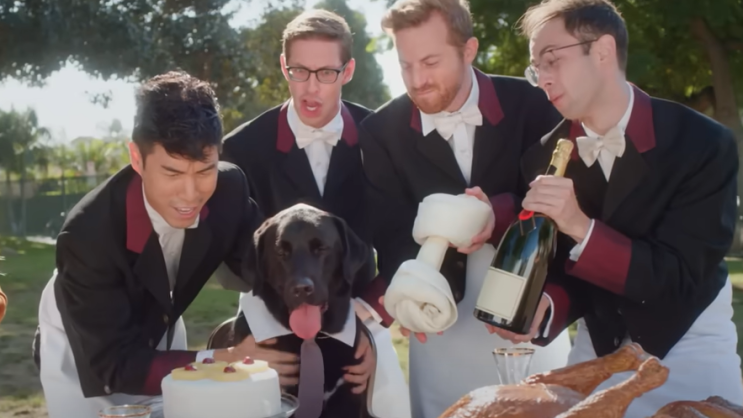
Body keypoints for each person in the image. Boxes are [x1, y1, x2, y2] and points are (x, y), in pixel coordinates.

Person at [486, 0, 743, 415]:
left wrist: (579, 225)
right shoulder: (541, 157)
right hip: (598, 347)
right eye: (536, 68)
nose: (542, 79)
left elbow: (679, 277)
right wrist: (546, 304)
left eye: (552, 60)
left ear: (603, 51)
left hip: (689, 342)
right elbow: (563, 267)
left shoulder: (703, 144)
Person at [358, 0, 572, 416]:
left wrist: (499, 212)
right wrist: (412, 298)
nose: (417, 80)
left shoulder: (534, 104)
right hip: (440, 326)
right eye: (405, 65)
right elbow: (392, 233)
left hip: (527, 312)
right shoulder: (380, 131)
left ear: (468, 50)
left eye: (430, 62)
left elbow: (561, 203)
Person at [35, 71, 266, 418]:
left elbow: (264, 266)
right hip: (87, 331)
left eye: (205, 170)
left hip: (161, 317)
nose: (191, 194)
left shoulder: (230, 189)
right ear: (136, 158)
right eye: (172, 173)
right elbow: (113, 365)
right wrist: (222, 360)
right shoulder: (85, 237)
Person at [220, 9, 410, 418]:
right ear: (283, 67)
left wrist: (371, 321)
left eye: (326, 73)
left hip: (359, 324)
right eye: (300, 71)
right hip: (270, 332)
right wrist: (247, 342)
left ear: (348, 71)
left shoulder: (382, 137)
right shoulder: (240, 149)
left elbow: (401, 241)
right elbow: (233, 254)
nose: (311, 87)